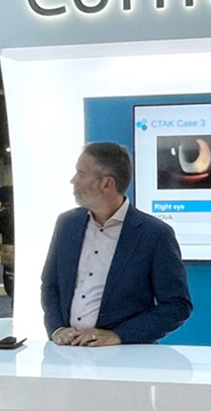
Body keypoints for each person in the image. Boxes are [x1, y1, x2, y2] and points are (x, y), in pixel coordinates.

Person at [41, 142, 193, 346]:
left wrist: (119, 335)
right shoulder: (67, 224)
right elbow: (50, 284)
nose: (73, 180)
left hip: (124, 355)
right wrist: (57, 328)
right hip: (67, 352)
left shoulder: (155, 235)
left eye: (81, 175)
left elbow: (177, 305)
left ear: (107, 184)